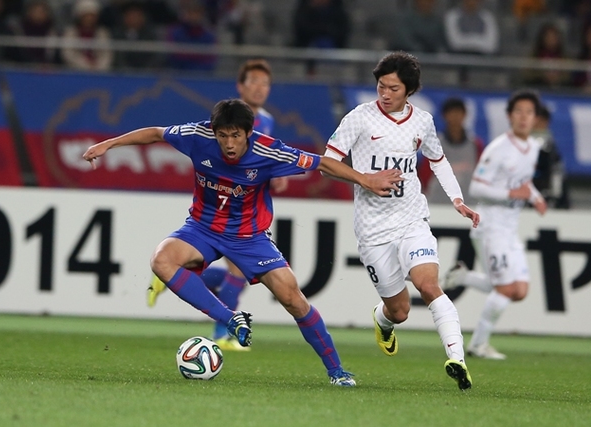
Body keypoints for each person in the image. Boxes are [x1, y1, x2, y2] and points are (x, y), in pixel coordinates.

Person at [82, 98, 403, 386]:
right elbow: (155, 133)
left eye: (236, 135)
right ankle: (230, 319)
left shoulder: (269, 151)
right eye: (223, 135)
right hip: (201, 228)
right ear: (214, 131)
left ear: (249, 132)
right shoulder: (198, 136)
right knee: (162, 259)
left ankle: (337, 371)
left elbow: (322, 162)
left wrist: (364, 179)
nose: (229, 143)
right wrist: (108, 144)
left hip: (249, 237)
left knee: (293, 299)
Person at [322, 51, 480, 391]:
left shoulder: (422, 121)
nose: (385, 93)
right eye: (381, 86)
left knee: (429, 285)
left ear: (409, 90)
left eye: (393, 88)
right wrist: (365, 179)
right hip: (373, 229)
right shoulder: (360, 118)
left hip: (411, 219)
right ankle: (383, 320)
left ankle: (457, 359)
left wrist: (457, 200)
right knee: (400, 311)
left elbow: (438, 160)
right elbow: (326, 163)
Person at [148, 59, 281, 352]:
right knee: (238, 272)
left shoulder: (267, 121)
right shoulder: (224, 121)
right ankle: (222, 333)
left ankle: (172, 278)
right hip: (220, 207)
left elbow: (262, 160)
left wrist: (275, 177)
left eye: (265, 83)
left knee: (237, 273)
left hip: (245, 209)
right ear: (240, 86)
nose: (259, 88)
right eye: (253, 82)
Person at [443, 89, 547, 360]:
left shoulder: (533, 147)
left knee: (519, 290)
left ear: (535, 118)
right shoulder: (498, 149)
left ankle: (464, 278)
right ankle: (478, 344)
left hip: (510, 229)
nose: (523, 117)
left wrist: (535, 198)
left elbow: (523, 181)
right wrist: (512, 194)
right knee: (505, 288)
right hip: (490, 227)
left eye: (529, 112)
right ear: (509, 116)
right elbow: (477, 187)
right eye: (518, 111)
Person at [420, 97, 484, 206]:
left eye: (458, 112)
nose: (455, 117)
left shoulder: (475, 145)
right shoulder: (434, 144)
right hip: (438, 204)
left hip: (469, 204)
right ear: (444, 116)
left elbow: (482, 174)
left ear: (465, 115)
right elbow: (424, 175)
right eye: (451, 113)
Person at [61, 0, 113, 71]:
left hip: (99, 72)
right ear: (80, 16)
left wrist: (99, 66)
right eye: (86, 15)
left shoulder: (102, 32)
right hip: (76, 71)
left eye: (92, 16)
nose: (89, 19)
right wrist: (86, 65)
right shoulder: (71, 32)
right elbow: (68, 54)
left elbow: (107, 54)